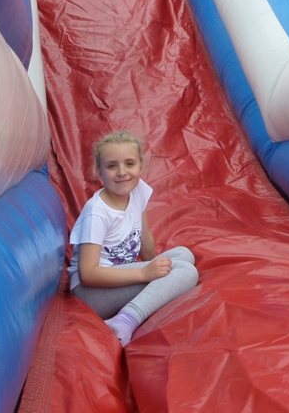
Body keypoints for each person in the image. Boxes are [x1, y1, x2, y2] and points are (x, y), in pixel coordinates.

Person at [68, 131, 198, 346]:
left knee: (184, 254)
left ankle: (146, 299)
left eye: (129, 164)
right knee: (186, 271)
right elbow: (88, 274)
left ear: (140, 166)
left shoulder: (138, 192)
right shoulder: (97, 213)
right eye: (112, 166)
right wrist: (144, 273)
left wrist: (156, 272)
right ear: (99, 172)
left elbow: (145, 237)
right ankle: (125, 320)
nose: (122, 172)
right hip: (91, 293)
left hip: (120, 277)